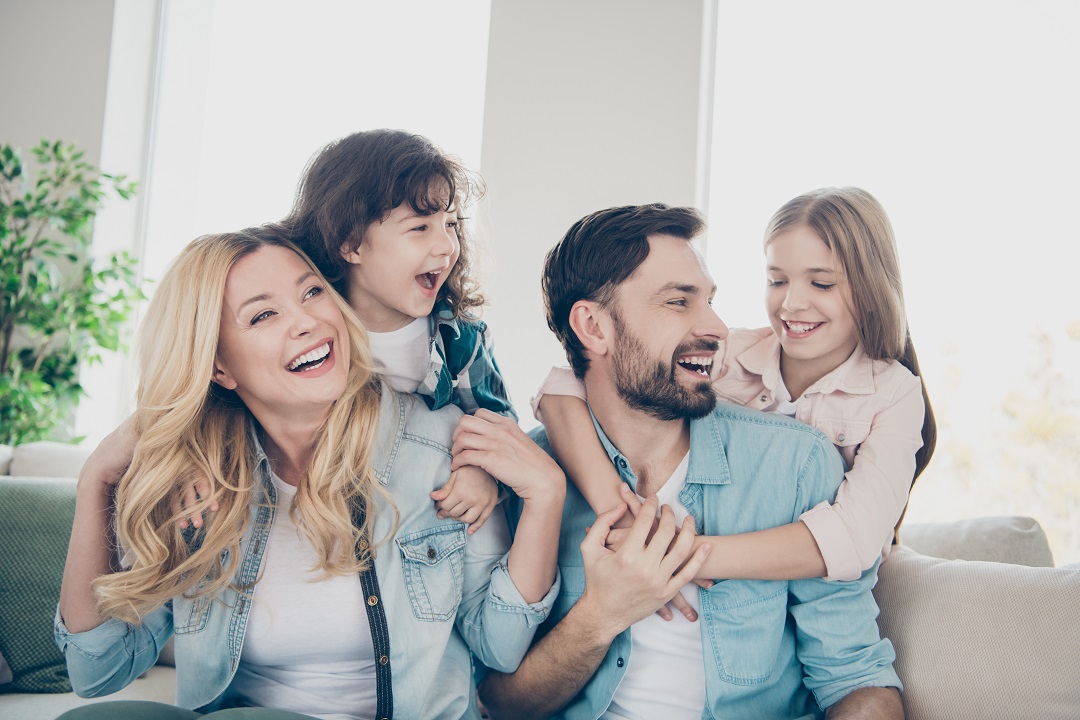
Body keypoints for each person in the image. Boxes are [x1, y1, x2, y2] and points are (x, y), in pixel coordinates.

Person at [54, 227, 564, 719]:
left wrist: (545, 497)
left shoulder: (439, 443)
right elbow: (96, 671)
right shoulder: (198, 481)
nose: (307, 322)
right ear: (219, 368)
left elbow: (500, 647)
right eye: (263, 316)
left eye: (313, 292)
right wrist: (96, 479)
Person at [478, 203, 903, 720]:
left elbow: (854, 678)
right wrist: (602, 614)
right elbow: (497, 703)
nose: (718, 326)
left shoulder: (798, 462)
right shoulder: (529, 482)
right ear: (592, 327)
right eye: (679, 302)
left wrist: (684, 557)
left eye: (710, 300)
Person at [535, 188, 935, 614]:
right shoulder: (732, 354)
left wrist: (670, 556)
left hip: (824, 589)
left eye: (821, 283)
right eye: (777, 280)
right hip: (732, 596)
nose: (792, 303)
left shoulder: (895, 394)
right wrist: (622, 514)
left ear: (871, 288)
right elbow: (566, 388)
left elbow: (852, 539)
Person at [177, 129, 512, 536]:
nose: (446, 246)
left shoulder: (461, 340)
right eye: (419, 228)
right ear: (351, 243)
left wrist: (481, 471)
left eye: (452, 225)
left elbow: (497, 420)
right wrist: (192, 459)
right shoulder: (315, 329)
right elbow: (226, 396)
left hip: (409, 514)